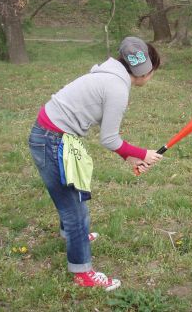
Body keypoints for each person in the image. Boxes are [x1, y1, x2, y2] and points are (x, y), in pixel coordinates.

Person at [28, 37, 163, 290]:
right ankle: (83, 274)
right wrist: (142, 152)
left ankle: (73, 236)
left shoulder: (109, 74)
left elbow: (105, 128)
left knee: (73, 195)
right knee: (75, 209)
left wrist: (130, 156)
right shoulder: (117, 88)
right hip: (51, 140)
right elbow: (109, 139)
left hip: (53, 136)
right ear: (146, 71)